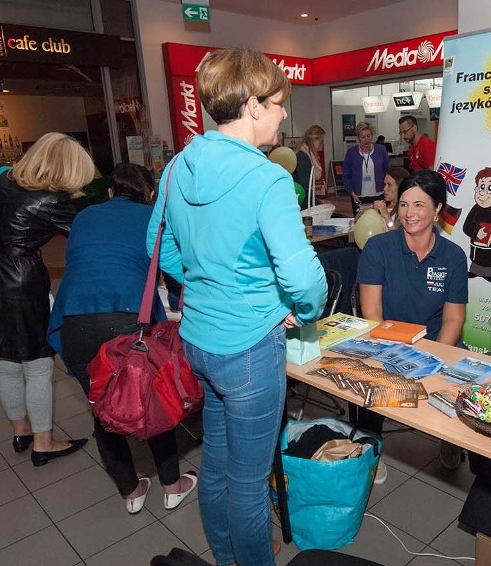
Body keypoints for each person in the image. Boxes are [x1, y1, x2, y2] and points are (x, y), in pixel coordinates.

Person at [148, 48, 326, 566]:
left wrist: (212, 285)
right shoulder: (267, 178)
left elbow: (158, 250)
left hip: (199, 340)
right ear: (251, 105)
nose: (283, 114)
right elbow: (305, 281)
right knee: (249, 486)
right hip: (249, 350)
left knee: (218, 466)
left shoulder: (179, 166)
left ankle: (226, 560)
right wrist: (296, 305)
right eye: (277, 103)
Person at [47, 163, 197, 514]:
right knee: (151, 401)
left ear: (111, 191)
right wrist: (179, 308)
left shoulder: (84, 217)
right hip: (124, 321)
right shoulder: (152, 218)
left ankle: (131, 492)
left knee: (103, 409)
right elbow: (173, 272)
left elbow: (89, 264)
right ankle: (172, 486)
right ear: (149, 195)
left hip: (74, 322)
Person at [0, 132, 92, 466]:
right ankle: (44, 443)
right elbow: (89, 233)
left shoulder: (2, 178)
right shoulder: (51, 200)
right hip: (20, 285)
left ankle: (21, 431)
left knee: (6, 365)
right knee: (37, 367)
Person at [355, 170, 469, 477]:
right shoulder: (378, 249)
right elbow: (372, 316)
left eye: (419, 205)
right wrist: (395, 359)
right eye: (404, 204)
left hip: (436, 345)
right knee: (367, 386)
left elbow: (454, 317)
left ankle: (449, 439)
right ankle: (371, 449)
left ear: (437, 210)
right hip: (385, 343)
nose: (410, 213)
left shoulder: (454, 256)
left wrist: (432, 361)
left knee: (457, 382)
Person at [343, 121, 389, 216]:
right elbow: (346, 176)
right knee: (360, 222)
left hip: (378, 194)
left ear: (372, 135)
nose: (366, 140)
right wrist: (352, 192)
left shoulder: (381, 150)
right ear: (358, 138)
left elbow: (387, 171)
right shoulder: (351, 153)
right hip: (358, 197)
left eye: (368, 136)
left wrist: (387, 189)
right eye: (363, 137)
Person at [354, 165, 407, 230]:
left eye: (389, 185)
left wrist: (386, 216)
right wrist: (360, 216)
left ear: (400, 187)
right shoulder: (383, 205)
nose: (385, 189)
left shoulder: (405, 209)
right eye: (385, 184)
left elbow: (396, 235)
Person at [292, 124, 325, 210]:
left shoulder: (304, 154)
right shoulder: (303, 157)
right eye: (320, 142)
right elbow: (305, 189)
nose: (321, 145)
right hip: (303, 205)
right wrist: (319, 204)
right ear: (314, 140)